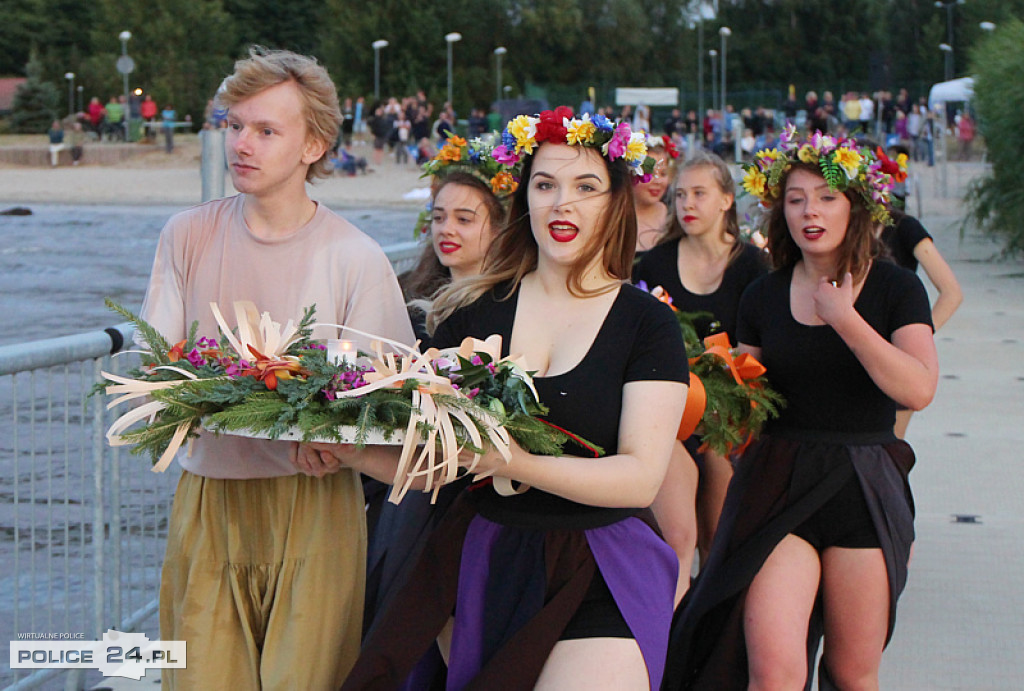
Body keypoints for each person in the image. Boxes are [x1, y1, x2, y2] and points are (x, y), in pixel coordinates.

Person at [312, 107, 689, 689]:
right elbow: (435, 463)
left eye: (585, 187)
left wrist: (513, 462)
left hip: (604, 563)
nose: (562, 204)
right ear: (525, 199)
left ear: (616, 202)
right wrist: (348, 453)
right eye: (545, 185)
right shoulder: (472, 313)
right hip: (485, 558)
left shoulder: (648, 324)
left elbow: (640, 478)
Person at [138, 47, 413, 690]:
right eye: (234, 125)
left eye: (266, 130)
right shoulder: (186, 234)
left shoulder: (355, 257)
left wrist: (339, 444)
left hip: (315, 507)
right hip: (208, 498)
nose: (241, 143)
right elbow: (155, 367)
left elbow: (388, 406)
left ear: (313, 145)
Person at [666, 130, 938, 690]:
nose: (810, 211)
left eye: (826, 197)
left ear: (855, 207)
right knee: (773, 672)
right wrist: (707, 387)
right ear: (780, 211)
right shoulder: (762, 295)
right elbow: (746, 400)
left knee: (852, 673)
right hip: (776, 486)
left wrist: (845, 318)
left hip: (863, 484)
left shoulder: (895, 289)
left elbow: (918, 390)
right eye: (795, 199)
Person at [364, 141, 515, 638]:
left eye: (465, 219)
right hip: (398, 474)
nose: (447, 229)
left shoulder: (512, 308)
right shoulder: (409, 296)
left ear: (500, 228)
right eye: (439, 217)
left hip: (468, 484)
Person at [634, 150, 769, 599]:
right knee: (676, 534)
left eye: (699, 194)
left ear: (727, 200)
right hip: (669, 408)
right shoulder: (654, 264)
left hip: (733, 408)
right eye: (680, 195)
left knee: (719, 464)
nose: (686, 204)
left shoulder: (752, 266)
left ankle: (713, 600)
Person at [879, 206, 962, 439]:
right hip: (848, 352)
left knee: (888, 447)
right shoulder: (835, 225)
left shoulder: (904, 227)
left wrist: (916, 335)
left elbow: (951, 292)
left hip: (894, 360)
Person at [633, 135, 678, 255]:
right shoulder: (615, 219)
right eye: (649, 174)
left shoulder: (675, 217)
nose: (658, 181)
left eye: (663, 174)